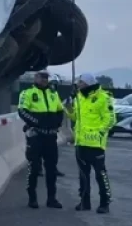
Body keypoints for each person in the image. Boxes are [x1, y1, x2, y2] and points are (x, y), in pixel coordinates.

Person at [65, 73, 114, 214]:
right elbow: (76, 117)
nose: (78, 85)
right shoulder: (79, 97)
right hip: (81, 143)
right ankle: (84, 202)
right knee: (83, 175)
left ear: (87, 83)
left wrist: (99, 133)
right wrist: (69, 108)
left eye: (80, 82)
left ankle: (105, 203)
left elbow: (110, 120)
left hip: (96, 144)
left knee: (100, 174)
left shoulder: (104, 97)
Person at [18, 71, 65, 209]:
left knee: (51, 169)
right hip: (36, 137)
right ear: (36, 78)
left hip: (51, 137)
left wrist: (56, 123)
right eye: (42, 77)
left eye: (46, 78)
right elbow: (22, 111)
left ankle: (52, 199)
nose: (44, 80)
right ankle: (32, 198)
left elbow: (60, 110)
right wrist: (37, 122)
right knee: (34, 168)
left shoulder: (53, 93)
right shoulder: (27, 93)